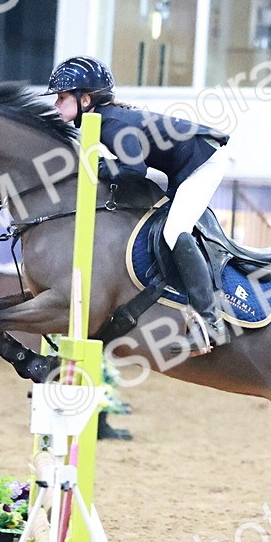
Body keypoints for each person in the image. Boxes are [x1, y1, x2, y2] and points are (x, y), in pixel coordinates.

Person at [45, 56, 231, 356]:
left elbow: (134, 171)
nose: (56, 104)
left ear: (86, 99)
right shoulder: (102, 121)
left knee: (174, 232)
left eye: (62, 97)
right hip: (185, 166)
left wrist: (94, 167)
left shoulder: (111, 125)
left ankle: (211, 323)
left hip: (204, 163)